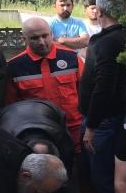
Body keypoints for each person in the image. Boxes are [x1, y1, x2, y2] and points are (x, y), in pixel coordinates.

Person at [79, 0, 126, 193]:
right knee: (109, 175)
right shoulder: (123, 37)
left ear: (98, 10)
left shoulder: (108, 43)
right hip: (112, 118)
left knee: (102, 177)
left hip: (103, 122)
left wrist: (91, 126)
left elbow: (103, 87)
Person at [5, 17, 84, 148]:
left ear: (51, 34)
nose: (41, 42)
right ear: (24, 39)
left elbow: (87, 93)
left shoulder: (72, 58)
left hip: (75, 129)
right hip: (38, 136)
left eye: (45, 36)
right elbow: (11, 106)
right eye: (34, 38)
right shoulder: (15, 66)